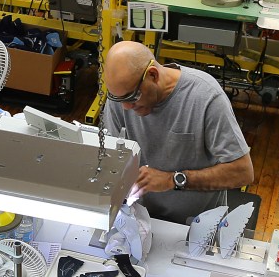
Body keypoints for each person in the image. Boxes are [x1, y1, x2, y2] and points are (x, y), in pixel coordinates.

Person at [101, 41, 254, 223]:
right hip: (140, 218)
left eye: (132, 97)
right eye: (119, 99)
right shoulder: (121, 98)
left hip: (197, 223)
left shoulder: (205, 98)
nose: (126, 107)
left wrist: (173, 179)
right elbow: (110, 158)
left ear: (153, 75)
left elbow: (243, 172)